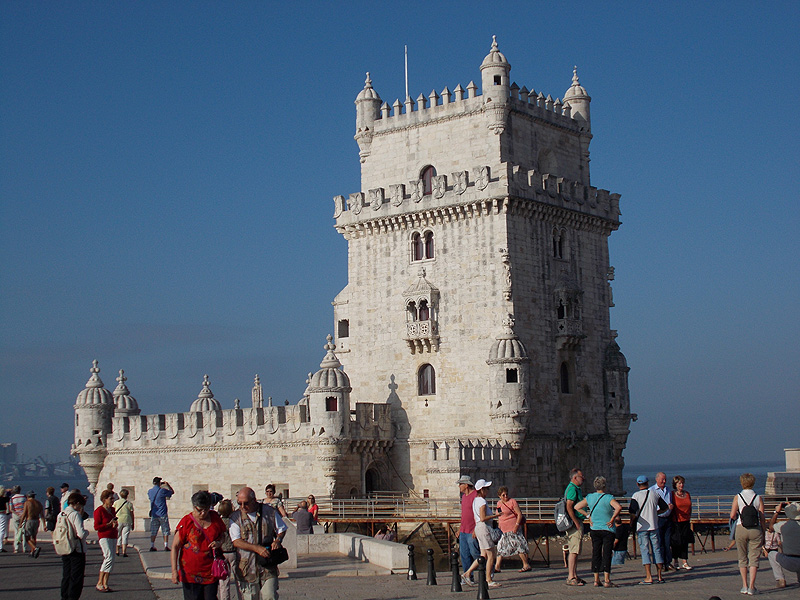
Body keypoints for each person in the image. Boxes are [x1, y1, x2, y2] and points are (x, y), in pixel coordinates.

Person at [229, 487, 287, 600]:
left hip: (268, 565)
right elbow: (236, 541)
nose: (242, 507)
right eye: (239, 503)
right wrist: (256, 548)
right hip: (247, 567)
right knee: (250, 597)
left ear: (254, 500)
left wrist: (278, 540)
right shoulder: (235, 517)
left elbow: (282, 529)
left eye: (246, 503)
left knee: (270, 596)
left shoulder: (269, 512)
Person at [171, 490, 226, 600]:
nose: (203, 513)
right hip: (190, 573)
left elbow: (223, 535)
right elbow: (175, 547)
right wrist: (174, 571)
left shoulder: (215, 518)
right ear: (194, 506)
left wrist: (219, 542)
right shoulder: (186, 522)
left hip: (210, 571)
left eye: (206, 510)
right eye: (199, 510)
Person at [574, 476, 622, 588]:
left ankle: (596, 579)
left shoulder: (590, 497)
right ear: (604, 486)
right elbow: (618, 507)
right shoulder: (608, 497)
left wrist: (588, 515)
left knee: (596, 552)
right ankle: (606, 579)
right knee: (606, 553)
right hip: (608, 529)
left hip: (595, 528)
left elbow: (577, 507)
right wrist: (612, 518)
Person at [630, 474, 669, 584]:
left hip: (642, 527)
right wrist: (656, 513)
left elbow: (632, 512)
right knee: (656, 550)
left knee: (645, 551)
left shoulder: (636, 496)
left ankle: (649, 576)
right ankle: (660, 576)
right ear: (647, 483)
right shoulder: (654, 493)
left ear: (638, 484)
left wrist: (633, 521)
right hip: (654, 526)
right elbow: (665, 507)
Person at [730, 472, 765, 595]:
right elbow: (761, 516)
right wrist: (764, 531)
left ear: (742, 483)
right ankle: (752, 586)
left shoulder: (738, 496)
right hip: (755, 529)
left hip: (741, 527)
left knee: (742, 557)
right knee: (754, 558)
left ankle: (744, 585)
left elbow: (732, 515)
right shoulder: (758, 497)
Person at [462, 479, 500, 588]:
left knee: (483, 555)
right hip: (483, 528)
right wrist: (496, 516)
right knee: (491, 554)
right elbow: (483, 518)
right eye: (486, 489)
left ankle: (466, 573)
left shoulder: (475, 501)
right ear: (482, 490)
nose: (488, 490)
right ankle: (488, 579)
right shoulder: (482, 502)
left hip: (478, 528)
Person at [494, 486, 531, 573]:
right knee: (500, 547)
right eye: (503, 495)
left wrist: (516, 526)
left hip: (513, 527)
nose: (506, 496)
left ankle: (526, 564)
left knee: (518, 545)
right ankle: (497, 566)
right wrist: (499, 525)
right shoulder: (499, 503)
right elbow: (499, 515)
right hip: (503, 529)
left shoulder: (512, 501)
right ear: (499, 496)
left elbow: (519, 514)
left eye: (506, 494)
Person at [61, 491, 89, 600]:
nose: (81, 508)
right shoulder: (75, 514)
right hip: (77, 549)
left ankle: (64, 597)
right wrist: (87, 532)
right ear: (77, 503)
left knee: (66, 575)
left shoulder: (61, 513)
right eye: (80, 505)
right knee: (76, 577)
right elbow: (81, 534)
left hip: (65, 547)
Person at [767, 501, 800, 585]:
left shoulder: (783, 525)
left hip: (789, 560)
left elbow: (771, 527)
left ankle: (780, 579)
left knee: (771, 554)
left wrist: (776, 512)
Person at [563, 468, 586, 586]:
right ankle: (571, 576)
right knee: (573, 550)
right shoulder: (572, 489)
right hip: (574, 524)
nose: (583, 479)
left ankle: (574, 575)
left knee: (576, 551)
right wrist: (576, 521)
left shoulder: (575, 488)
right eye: (581, 477)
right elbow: (569, 506)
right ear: (574, 478)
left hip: (575, 522)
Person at [456, 475, 481, 583]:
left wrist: (476, 528)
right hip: (463, 531)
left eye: (460, 484)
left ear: (466, 485)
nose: (459, 486)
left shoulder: (475, 495)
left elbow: (479, 513)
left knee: (475, 553)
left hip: (472, 530)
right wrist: (459, 528)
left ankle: (486, 571)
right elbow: (464, 515)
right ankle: (468, 576)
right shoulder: (464, 497)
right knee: (464, 555)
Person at [94, 488, 119, 592]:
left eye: (113, 498)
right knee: (108, 557)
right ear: (104, 499)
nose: (112, 501)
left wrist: (114, 524)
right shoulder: (99, 510)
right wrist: (108, 524)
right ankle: (100, 582)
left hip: (113, 535)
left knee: (112, 559)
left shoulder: (112, 510)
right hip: (104, 536)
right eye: (110, 499)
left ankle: (105, 583)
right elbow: (97, 526)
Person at [217, 499, 240, 600]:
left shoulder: (218, 523)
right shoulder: (234, 522)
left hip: (222, 553)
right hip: (234, 552)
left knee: (224, 582)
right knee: (239, 580)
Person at [650, 472, 674, 571]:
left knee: (667, 542)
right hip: (658, 518)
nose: (664, 481)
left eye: (665, 479)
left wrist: (671, 507)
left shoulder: (668, 490)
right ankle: (661, 564)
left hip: (668, 518)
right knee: (659, 542)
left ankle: (668, 562)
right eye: (662, 479)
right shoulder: (652, 490)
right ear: (657, 479)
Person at [670, 475, 693, 570]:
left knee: (685, 541)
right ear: (675, 484)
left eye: (682, 483)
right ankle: (675, 561)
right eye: (679, 483)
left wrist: (689, 516)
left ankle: (685, 561)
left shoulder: (687, 494)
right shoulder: (672, 494)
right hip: (676, 521)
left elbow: (690, 506)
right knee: (676, 541)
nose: (681, 485)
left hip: (686, 521)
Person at [149, 477, 174, 551]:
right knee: (165, 530)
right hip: (162, 513)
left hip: (154, 514)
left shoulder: (150, 491)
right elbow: (172, 492)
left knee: (154, 530)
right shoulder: (162, 490)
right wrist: (167, 485)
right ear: (159, 483)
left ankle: (152, 545)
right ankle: (166, 545)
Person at [21, 490, 46, 558]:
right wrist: (44, 524)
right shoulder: (38, 503)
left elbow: (24, 514)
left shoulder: (27, 503)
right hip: (37, 520)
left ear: (28, 496)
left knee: (27, 537)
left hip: (29, 520)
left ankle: (34, 548)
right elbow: (42, 515)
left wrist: (20, 523)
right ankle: (32, 552)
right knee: (34, 536)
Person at [113, 488, 135, 557]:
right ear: (127, 495)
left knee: (118, 535)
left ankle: (117, 551)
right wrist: (133, 523)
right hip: (127, 520)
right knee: (125, 536)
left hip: (118, 520)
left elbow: (113, 511)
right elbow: (132, 514)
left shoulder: (116, 502)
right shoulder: (129, 503)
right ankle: (124, 551)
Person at [9, 486, 26, 553]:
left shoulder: (12, 498)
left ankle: (16, 548)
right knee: (23, 531)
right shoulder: (24, 497)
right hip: (23, 515)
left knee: (16, 531)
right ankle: (24, 547)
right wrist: (22, 514)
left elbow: (11, 509)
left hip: (16, 516)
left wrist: (16, 513)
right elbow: (26, 506)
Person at [0, 486, 8, 551]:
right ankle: (0, 546)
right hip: (2, 514)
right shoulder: (4, 499)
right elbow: (9, 494)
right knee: (2, 531)